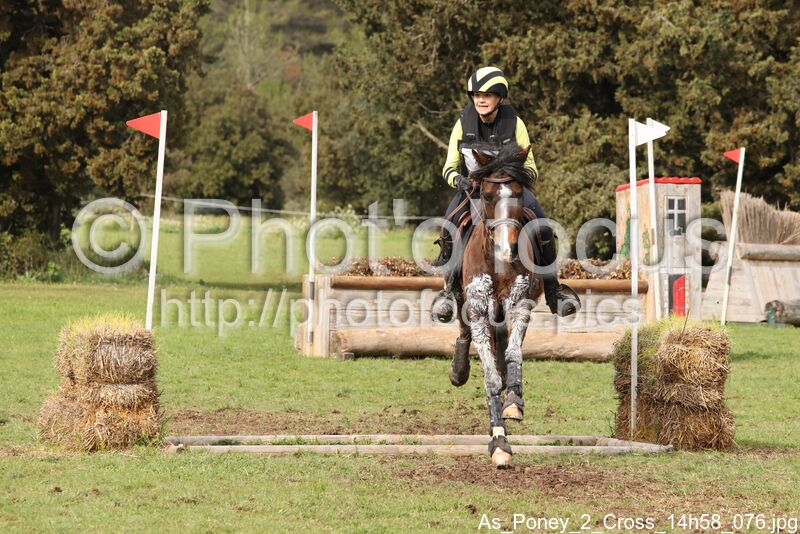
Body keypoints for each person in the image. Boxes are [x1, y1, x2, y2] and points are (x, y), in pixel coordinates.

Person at [431, 66, 580, 323]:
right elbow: (448, 167)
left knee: (543, 227)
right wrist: (459, 180)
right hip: (474, 190)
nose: (481, 100)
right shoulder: (463, 123)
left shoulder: (515, 123)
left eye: (487, 95)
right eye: (477, 95)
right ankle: (450, 291)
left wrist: (516, 180)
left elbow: (531, 167)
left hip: (510, 191)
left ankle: (553, 289)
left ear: (499, 98)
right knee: (449, 225)